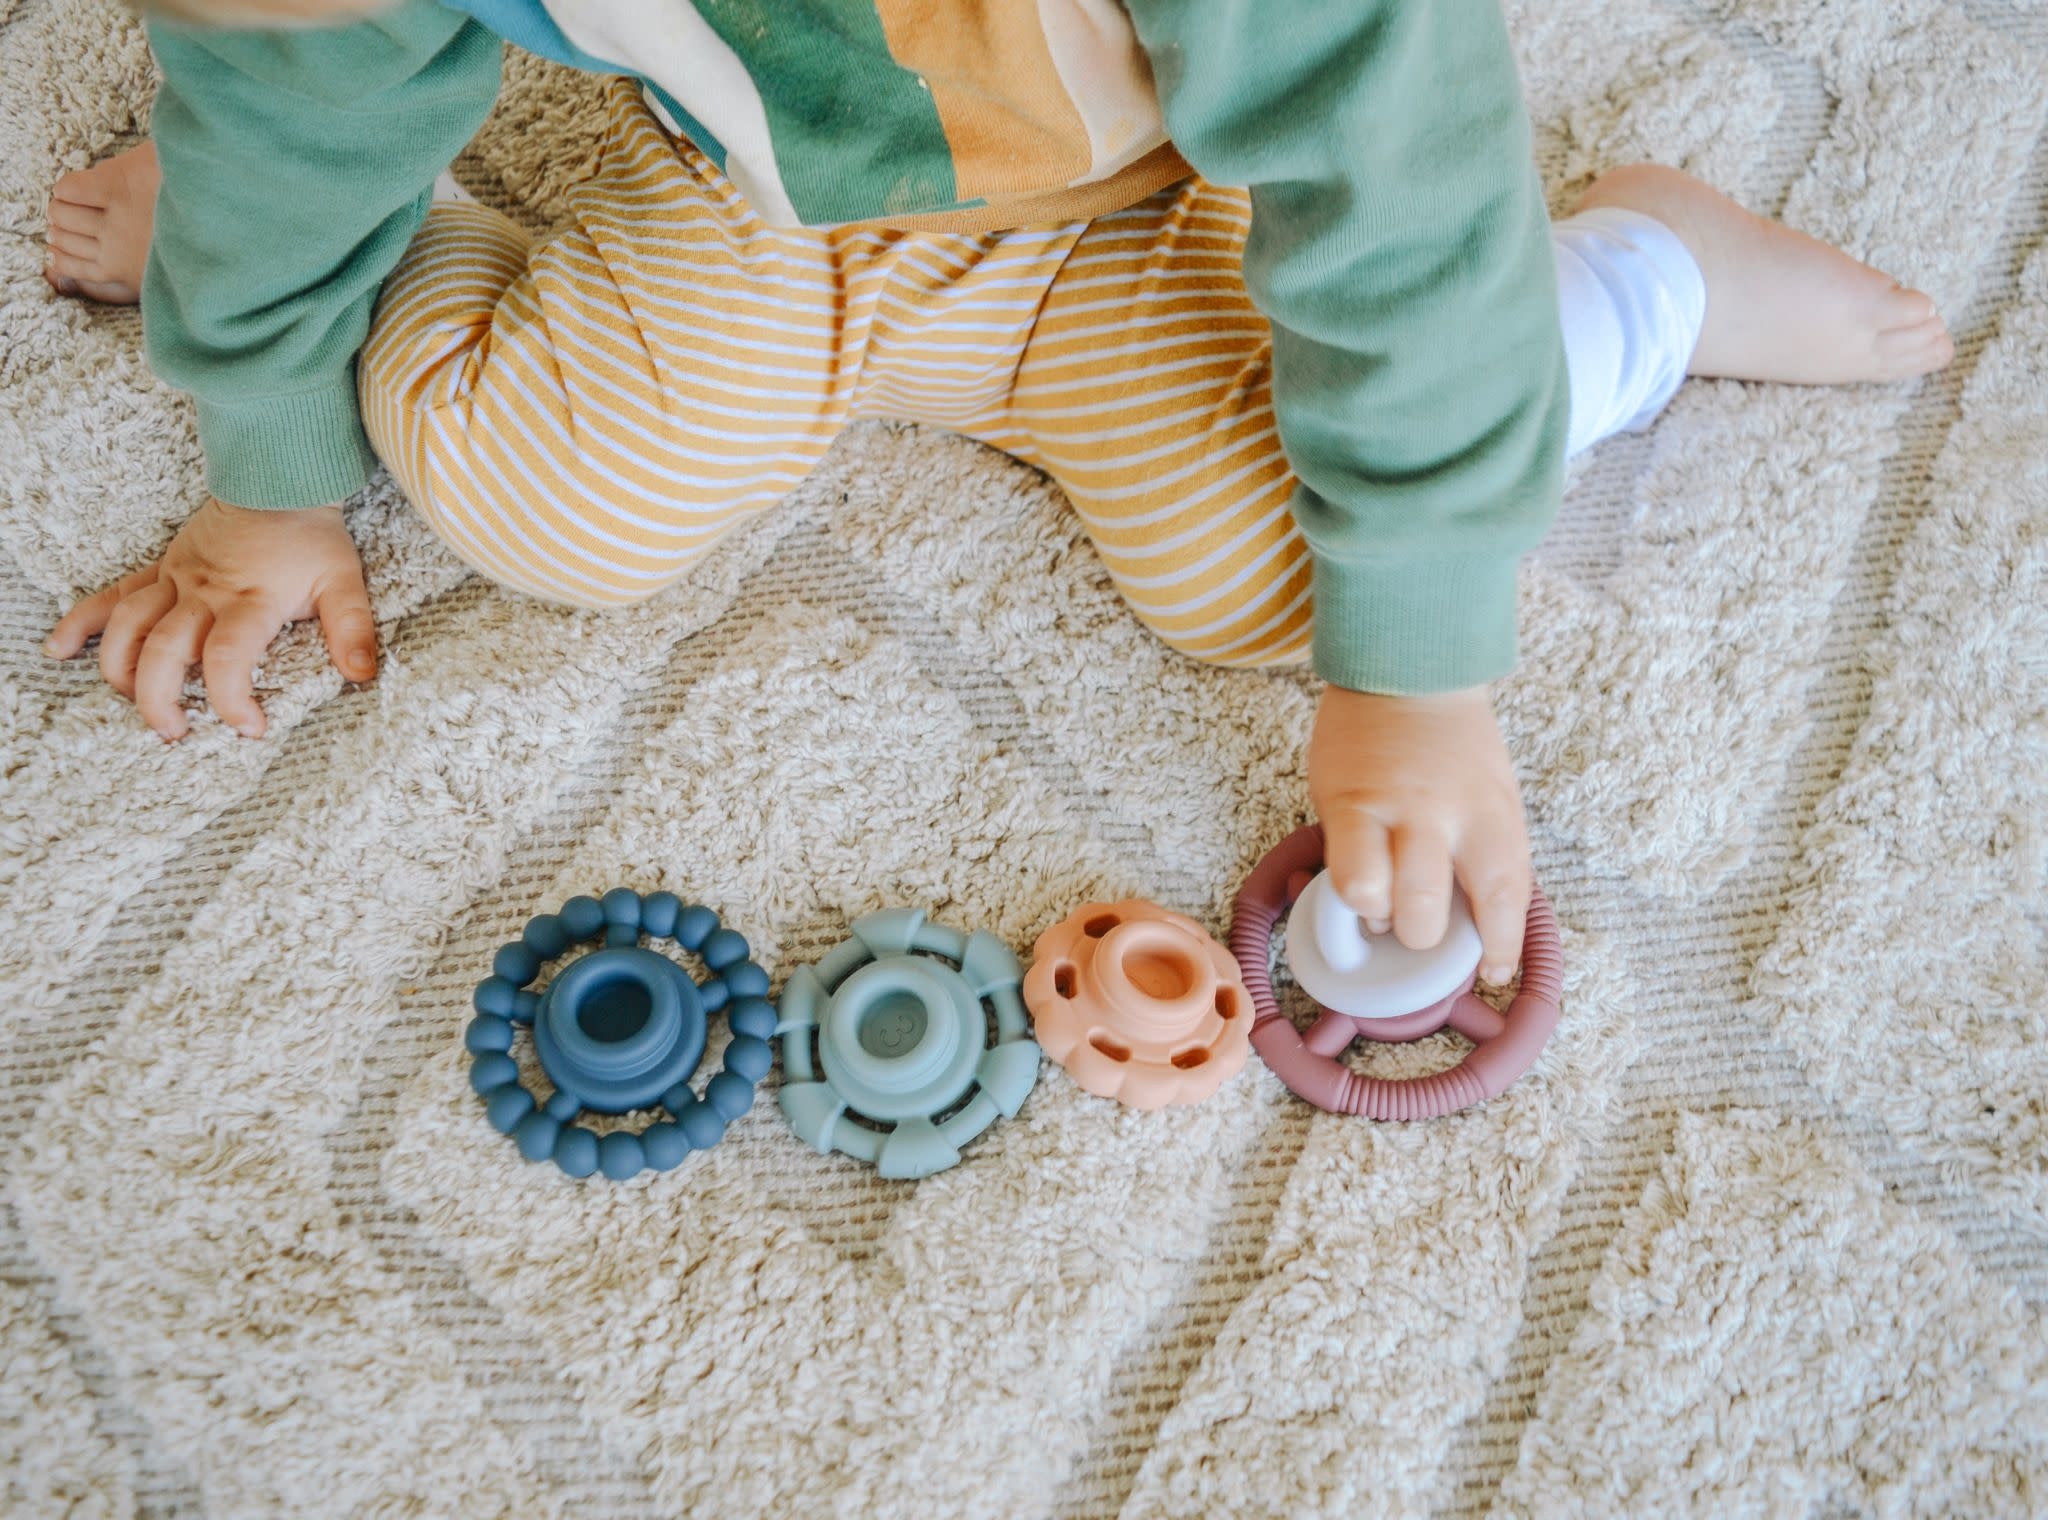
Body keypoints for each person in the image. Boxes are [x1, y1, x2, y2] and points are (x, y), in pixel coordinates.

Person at [41, 0, 1952, 979]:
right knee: (547, 499)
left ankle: (1634, 278)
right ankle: (384, 255)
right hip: (744, 196)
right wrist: (267, 429)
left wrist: (1418, 680)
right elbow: (294, 76)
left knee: (1309, 578)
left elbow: (1392, 201)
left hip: (1137, 210)